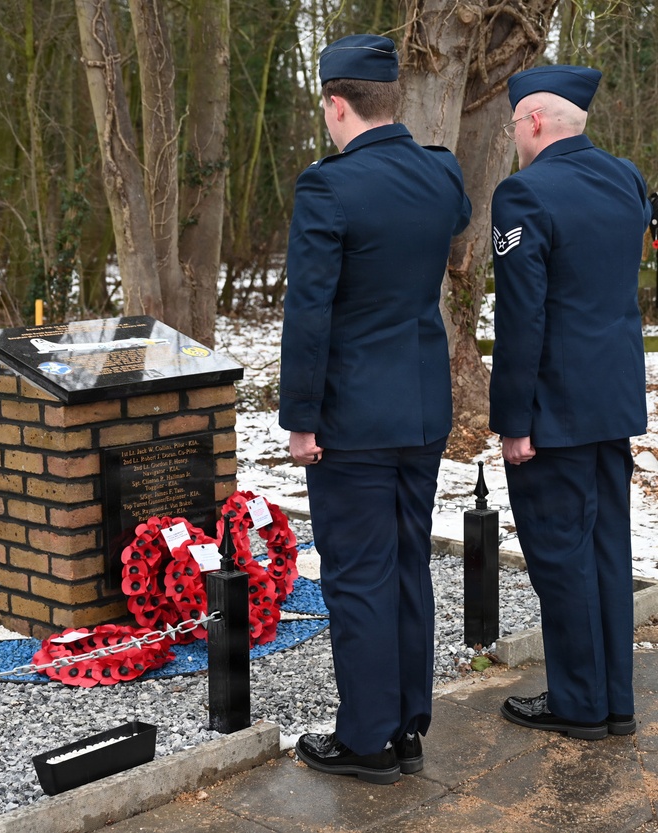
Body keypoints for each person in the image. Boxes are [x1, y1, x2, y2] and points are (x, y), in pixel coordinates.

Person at [278, 34, 471, 784]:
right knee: (405, 566)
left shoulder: (328, 188)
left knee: (359, 574)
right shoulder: (440, 174)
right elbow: (452, 224)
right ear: (391, 101)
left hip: (353, 416)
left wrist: (301, 416)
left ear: (337, 104)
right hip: (422, 407)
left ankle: (365, 740)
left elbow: (310, 311)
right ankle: (407, 726)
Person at [490, 65, 650, 740]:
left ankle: (580, 703)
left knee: (560, 553)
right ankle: (614, 698)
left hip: (553, 411)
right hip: (611, 401)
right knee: (608, 550)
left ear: (533, 121)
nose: (513, 137)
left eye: (513, 125)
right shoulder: (628, 179)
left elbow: (523, 319)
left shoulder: (524, 193)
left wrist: (513, 421)